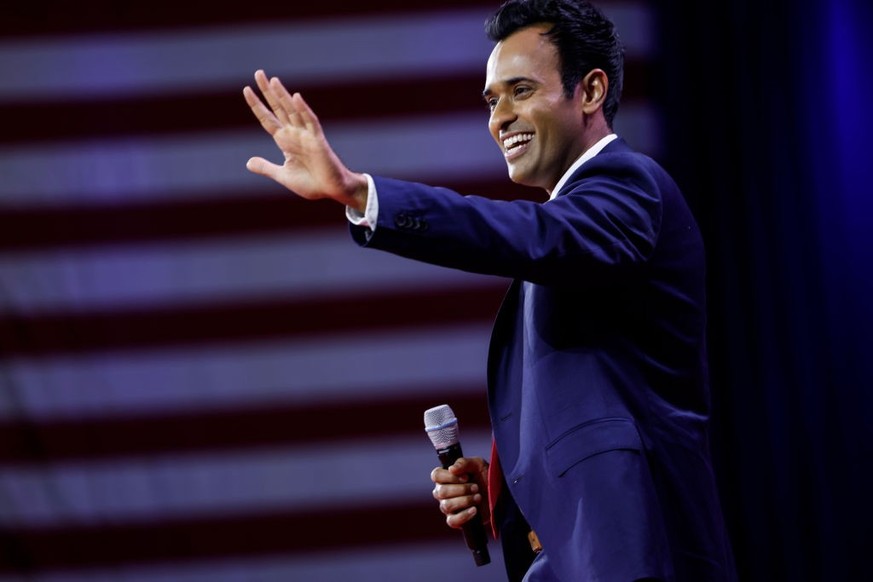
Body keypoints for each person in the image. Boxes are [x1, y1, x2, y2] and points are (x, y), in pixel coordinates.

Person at [243, 0, 737, 579]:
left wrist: (362, 194)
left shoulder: (629, 186)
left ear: (592, 90)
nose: (498, 117)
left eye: (520, 89)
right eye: (491, 99)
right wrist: (507, 483)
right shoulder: (574, 223)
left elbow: (532, 237)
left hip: (634, 555)